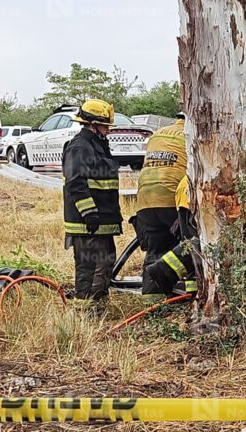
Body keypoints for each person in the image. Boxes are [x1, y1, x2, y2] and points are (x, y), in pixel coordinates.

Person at [142, 153, 246, 296]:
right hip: (200, 194)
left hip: (188, 192)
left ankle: (195, 293)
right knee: (204, 244)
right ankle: (163, 271)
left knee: (197, 245)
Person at [62, 99, 122, 310]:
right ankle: (84, 312)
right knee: (89, 268)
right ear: (93, 124)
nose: (108, 131)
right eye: (105, 126)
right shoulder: (80, 147)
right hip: (87, 223)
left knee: (104, 264)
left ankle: (98, 307)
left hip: (102, 221)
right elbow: (75, 182)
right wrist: (89, 213)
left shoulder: (97, 146)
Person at [134, 113, 187, 295]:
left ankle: (152, 300)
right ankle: (187, 295)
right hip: (173, 199)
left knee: (155, 250)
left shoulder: (158, 134)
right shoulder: (192, 135)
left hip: (145, 200)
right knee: (188, 246)